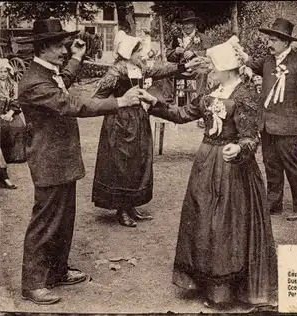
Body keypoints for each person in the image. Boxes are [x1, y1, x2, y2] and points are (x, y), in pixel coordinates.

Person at [16, 18, 143, 305]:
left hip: (62, 160)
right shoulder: (34, 82)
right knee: (45, 222)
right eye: (61, 46)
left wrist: (77, 56)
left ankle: (57, 271)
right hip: (49, 162)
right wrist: (119, 103)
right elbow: (72, 105)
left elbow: (66, 81)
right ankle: (33, 283)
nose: (65, 51)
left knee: (63, 221)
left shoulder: (47, 72)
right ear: (45, 47)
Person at [144, 36, 277, 309]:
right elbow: (182, 113)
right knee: (203, 217)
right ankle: (205, 281)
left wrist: (239, 149)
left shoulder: (245, 95)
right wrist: (153, 103)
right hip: (205, 163)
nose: (209, 72)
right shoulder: (210, 95)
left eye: (212, 67)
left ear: (226, 69)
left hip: (232, 169)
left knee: (226, 223)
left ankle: (226, 290)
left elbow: (251, 137)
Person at [92, 34, 200, 227]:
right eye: (137, 51)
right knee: (122, 164)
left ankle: (131, 205)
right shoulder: (116, 71)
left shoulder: (140, 67)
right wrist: (119, 101)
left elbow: (161, 69)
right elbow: (96, 99)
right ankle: (122, 209)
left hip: (139, 119)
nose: (141, 54)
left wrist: (183, 67)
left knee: (137, 162)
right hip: (119, 123)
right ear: (128, 53)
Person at [240, 18, 297, 221]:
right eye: (269, 39)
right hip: (266, 124)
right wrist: (237, 52)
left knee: (292, 166)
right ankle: (273, 204)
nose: (269, 43)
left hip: (288, 125)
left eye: (274, 40)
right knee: (271, 165)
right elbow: (248, 62)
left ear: (286, 42)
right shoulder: (267, 61)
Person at [167, 10, 211, 127]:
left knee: (202, 73)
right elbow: (168, 55)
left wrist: (194, 53)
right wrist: (175, 52)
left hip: (196, 68)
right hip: (181, 68)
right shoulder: (176, 38)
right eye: (184, 23)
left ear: (195, 24)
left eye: (189, 23)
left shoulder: (202, 37)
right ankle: (170, 107)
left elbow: (209, 53)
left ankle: (200, 108)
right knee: (166, 72)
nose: (186, 26)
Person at [0, 58, 26, 163]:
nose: (3, 74)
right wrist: (2, 115)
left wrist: (10, 112)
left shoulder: (14, 84)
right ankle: (4, 157)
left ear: (8, 72)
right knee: (2, 127)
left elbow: (16, 100)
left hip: (11, 111)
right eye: (0, 72)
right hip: (0, 113)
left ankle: (16, 157)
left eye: (5, 71)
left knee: (19, 126)